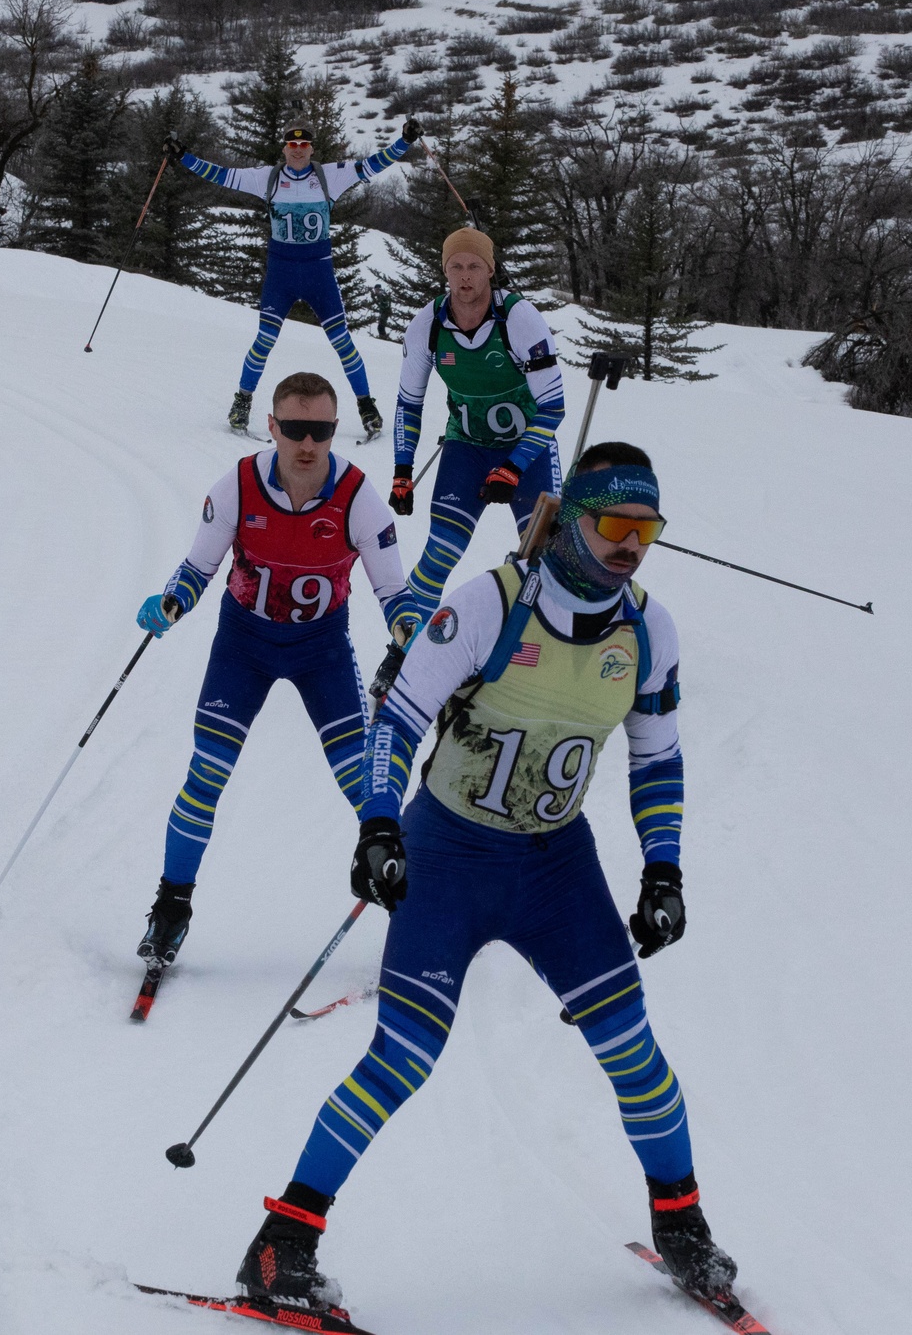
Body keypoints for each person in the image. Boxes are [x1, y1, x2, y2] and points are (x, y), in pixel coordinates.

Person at [234, 443, 738, 1318]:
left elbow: (656, 758)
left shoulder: (649, 631)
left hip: (555, 866)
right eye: (616, 525)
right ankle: (283, 1245)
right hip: (453, 857)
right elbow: (395, 717)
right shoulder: (491, 606)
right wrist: (380, 824)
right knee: (403, 1058)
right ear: (574, 520)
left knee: (635, 1054)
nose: (632, 546)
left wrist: (664, 870)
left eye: (646, 530)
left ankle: (682, 1226)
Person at [134, 371, 420, 969]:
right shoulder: (238, 486)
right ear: (272, 427)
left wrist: (408, 630)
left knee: (360, 780)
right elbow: (197, 567)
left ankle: (422, 907)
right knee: (207, 773)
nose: (307, 443)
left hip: (321, 650)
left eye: (319, 429)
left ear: (334, 429)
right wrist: (171, 603)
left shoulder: (358, 497)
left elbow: (395, 592)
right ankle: (171, 908)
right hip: (245, 646)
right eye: (294, 428)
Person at [371, 225, 564, 696]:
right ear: (444, 271)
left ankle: (553, 651)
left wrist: (514, 465)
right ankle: (403, 650)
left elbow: (554, 406)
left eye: (474, 266)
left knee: (543, 558)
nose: (464, 276)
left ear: (491, 270)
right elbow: (408, 403)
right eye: (455, 266)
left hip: (528, 448)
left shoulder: (519, 319)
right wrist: (401, 471)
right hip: (467, 447)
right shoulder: (428, 324)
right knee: (439, 552)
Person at [163, 119, 422, 440]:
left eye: (304, 145)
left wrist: (404, 142)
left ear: (311, 149)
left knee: (343, 342)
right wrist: (184, 156)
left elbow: (373, 165)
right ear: (285, 148)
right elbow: (221, 174)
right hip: (282, 275)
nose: (298, 150)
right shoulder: (266, 179)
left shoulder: (329, 176)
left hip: (319, 274)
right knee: (264, 342)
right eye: (292, 145)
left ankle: (366, 405)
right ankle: (242, 400)